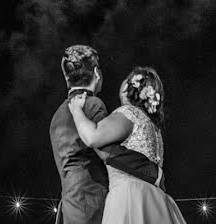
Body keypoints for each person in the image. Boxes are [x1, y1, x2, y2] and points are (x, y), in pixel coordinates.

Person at [49, 46, 163, 224]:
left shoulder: (57, 115)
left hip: (69, 208)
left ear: (66, 77)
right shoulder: (92, 104)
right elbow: (108, 151)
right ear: (96, 73)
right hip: (94, 205)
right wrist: (153, 172)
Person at [69, 66, 187, 224]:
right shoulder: (153, 127)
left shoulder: (129, 113)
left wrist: (76, 110)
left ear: (127, 87)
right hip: (157, 201)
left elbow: (92, 137)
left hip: (131, 198)